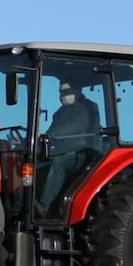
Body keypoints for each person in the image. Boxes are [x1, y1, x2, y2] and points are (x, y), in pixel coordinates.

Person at [36, 81, 97, 216]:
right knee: (33, 164)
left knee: (59, 161)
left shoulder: (87, 108)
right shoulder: (60, 112)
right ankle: (25, 204)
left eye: (65, 92)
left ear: (77, 91)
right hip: (62, 151)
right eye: (60, 92)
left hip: (82, 153)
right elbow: (51, 132)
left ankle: (43, 207)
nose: (61, 95)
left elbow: (74, 126)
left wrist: (50, 135)